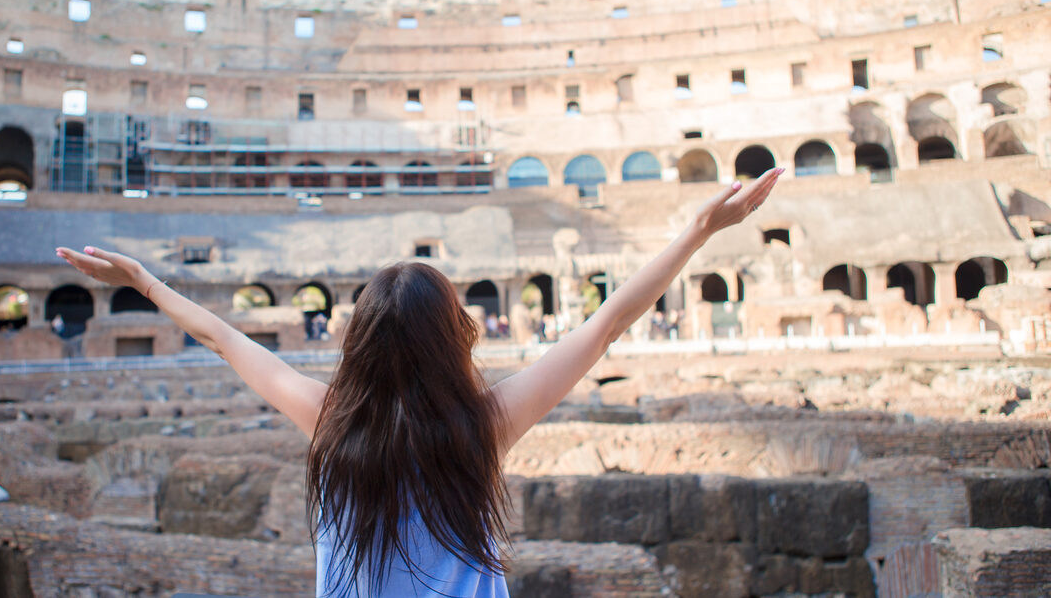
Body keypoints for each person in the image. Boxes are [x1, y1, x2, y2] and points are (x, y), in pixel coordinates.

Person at [55, 168, 781, 597]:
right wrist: (696, 233)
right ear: (455, 337)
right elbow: (606, 325)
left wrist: (146, 281)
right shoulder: (485, 424)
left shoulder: (328, 421)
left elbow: (222, 336)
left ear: (360, 344)